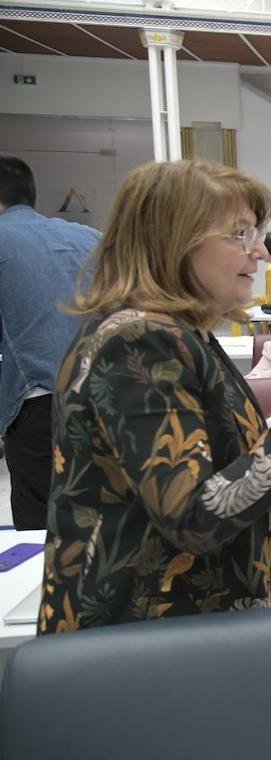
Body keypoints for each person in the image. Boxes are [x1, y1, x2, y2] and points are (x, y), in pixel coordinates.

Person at [39, 159, 271, 634]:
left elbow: (205, 474)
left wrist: (265, 499)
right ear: (175, 241)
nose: (259, 254)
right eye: (239, 234)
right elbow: (193, 513)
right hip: (143, 653)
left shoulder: (179, 334)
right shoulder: (141, 342)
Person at [0, 155, 100, 530]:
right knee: (107, 526)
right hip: (110, 398)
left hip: (41, 407)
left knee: (46, 538)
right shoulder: (90, 237)